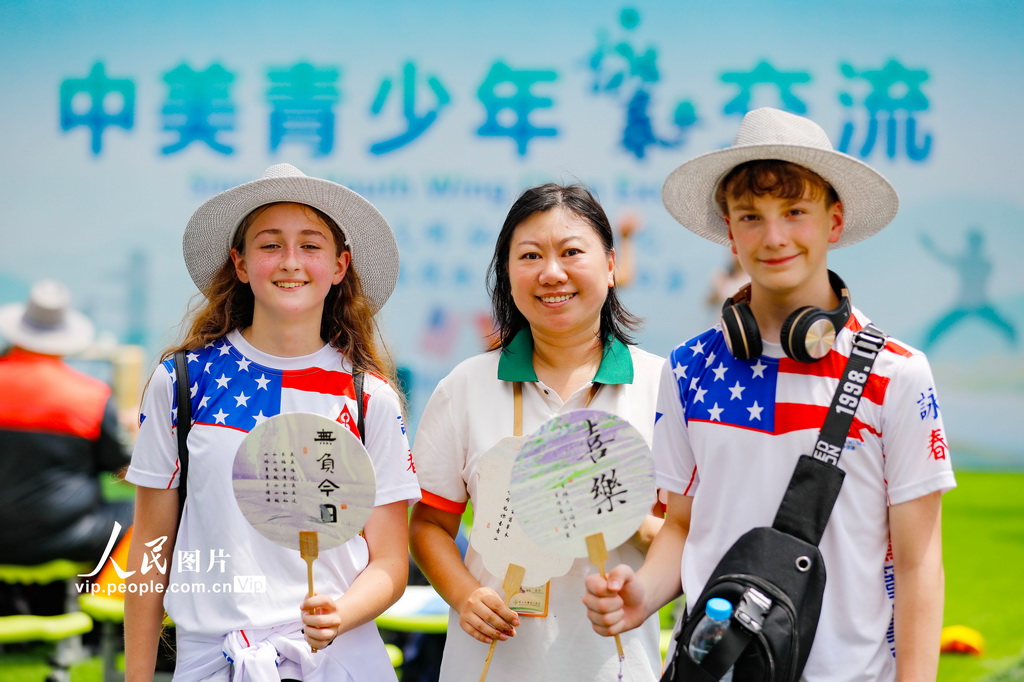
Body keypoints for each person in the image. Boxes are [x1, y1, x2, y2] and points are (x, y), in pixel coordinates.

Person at [583, 108, 957, 680]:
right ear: (729, 232)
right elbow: (682, 526)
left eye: (795, 212)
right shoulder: (688, 368)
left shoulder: (897, 373)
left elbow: (918, 562)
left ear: (834, 222)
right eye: (751, 216)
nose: (774, 236)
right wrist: (642, 596)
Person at [124, 163, 420, 681]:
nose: (290, 262)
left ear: (339, 265)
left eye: (310, 245)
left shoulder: (370, 397)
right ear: (239, 263)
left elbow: (391, 563)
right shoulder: (183, 381)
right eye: (269, 245)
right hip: (212, 661)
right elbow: (150, 551)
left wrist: (338, 616)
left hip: (338, 661)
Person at [410, 184, 665, 681]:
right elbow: (428, 525)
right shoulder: (465, 387)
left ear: (611, 266)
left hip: (618, 667)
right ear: (507, 274)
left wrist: (617, 514)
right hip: (491, 666)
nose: (552, 273)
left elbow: (688, 537)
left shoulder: (663, 388)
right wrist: (464, 593)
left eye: (572, 252)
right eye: (530, 256)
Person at [0, 279, 133, 570]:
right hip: (65, 536)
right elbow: (121, 466)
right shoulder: (90, 396)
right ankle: (105, 607)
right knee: (138, 513)